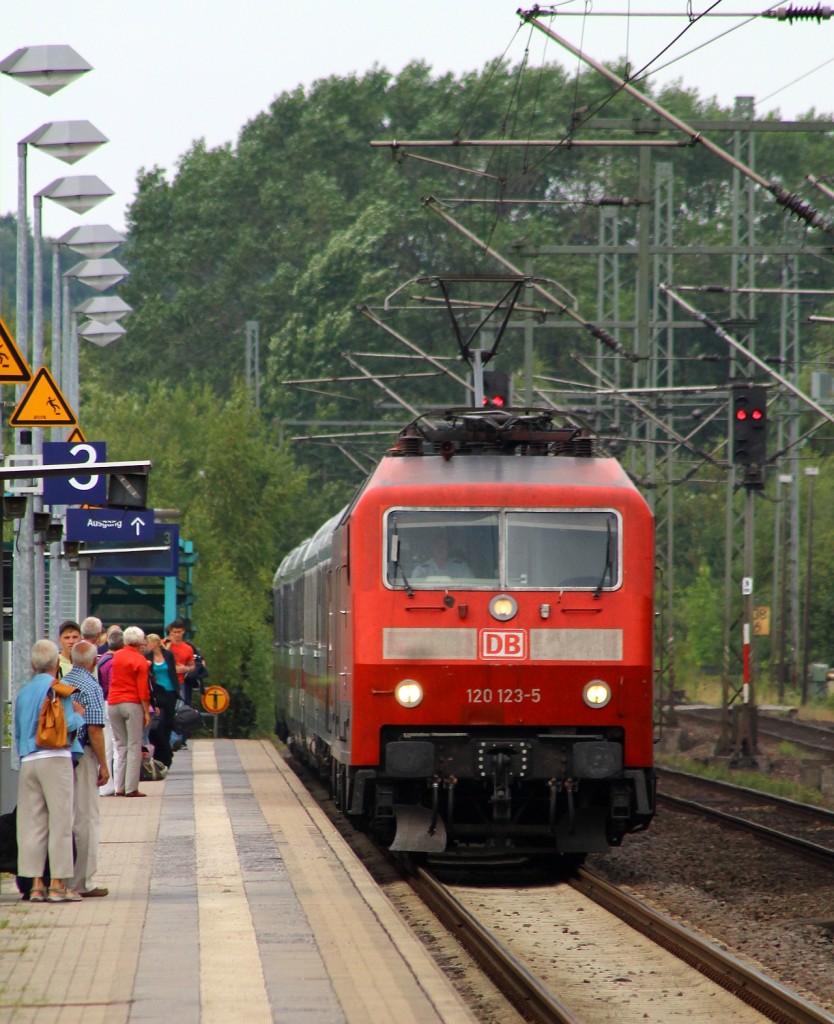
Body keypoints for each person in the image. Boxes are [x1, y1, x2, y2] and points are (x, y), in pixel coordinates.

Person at [13, 639, 85, 902]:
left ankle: (34, 886)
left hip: (29, 761)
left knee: (32, 825)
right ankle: (57, 884)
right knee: (60, 822)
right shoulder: (59, 689)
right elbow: (68, 725)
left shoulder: (23, 693)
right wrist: (79, 713)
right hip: (55, 759)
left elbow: (19, 732)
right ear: (56, 663)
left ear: (33, 664)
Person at [63, 641, 109, 897]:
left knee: (64, 817)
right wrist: (103, 764)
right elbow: (94, 729)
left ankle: (60, 877)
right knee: (86, 817)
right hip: (83, 757)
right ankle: (82, 881)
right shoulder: (91, 686)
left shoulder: (63, 681)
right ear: (94, 662)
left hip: (60, 756)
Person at [107, 626, 151, 797]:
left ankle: (119, 786)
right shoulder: (139, 660)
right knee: (134, 745)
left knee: (120, 746)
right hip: (131, 703)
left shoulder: (116, 657)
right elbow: (143, 690)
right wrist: (146, 712)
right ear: (140, 642)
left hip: (113, 703)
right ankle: (131, 788)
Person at [97, 626, 123, 797]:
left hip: (103, 702)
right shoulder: (116, 662)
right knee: (117, 745)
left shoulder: (101, 660)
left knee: (105, 745)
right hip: (113, 702)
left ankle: (104, 786)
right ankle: (119, 785)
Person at [144, 634, 176, 769]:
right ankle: (162, 751)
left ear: (156, 643)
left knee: (169, 720)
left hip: (170, 690)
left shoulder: (168, 655)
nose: (147, 646)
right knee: (159, 722)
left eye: (149, 643)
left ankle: (167, 747)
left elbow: (173, 671)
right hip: (157, 691)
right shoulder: (147, 657)